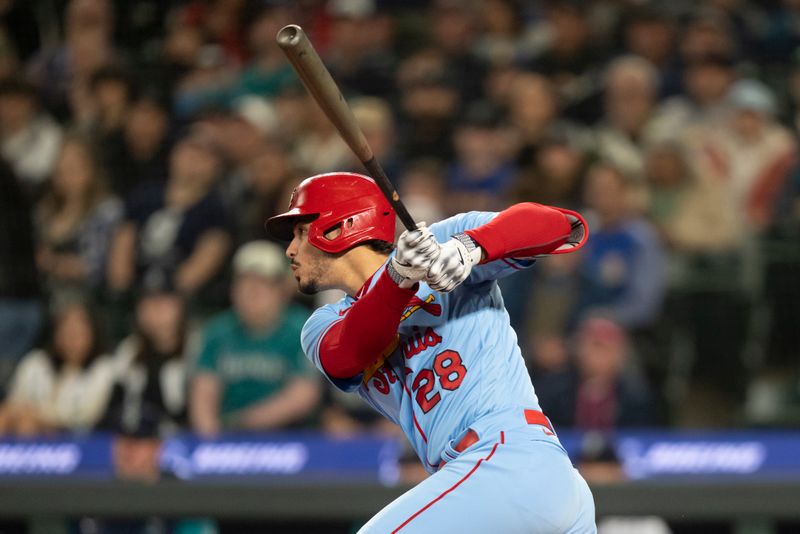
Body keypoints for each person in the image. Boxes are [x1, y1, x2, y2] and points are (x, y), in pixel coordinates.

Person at [266, 172, 596, 533]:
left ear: (337, 227)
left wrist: (471, 248)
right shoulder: (325, 323)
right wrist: (397, 278)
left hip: (507, 457)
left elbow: (563, 227)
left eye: (299, 232)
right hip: (496, 483)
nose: (290, 250)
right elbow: (345, 357)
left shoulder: (444, 240)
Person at [190, 241, 320, 435]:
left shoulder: (303, 329)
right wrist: (210, 441)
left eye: (263, 284)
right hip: (227, 440)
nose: (252, 292)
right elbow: (203, 393)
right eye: (245, 283)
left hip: (292, 439)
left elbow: (302, 397)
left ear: (282, 290)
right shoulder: (216, 332)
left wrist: (241, 423)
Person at [0, 300, 114, 436]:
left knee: (28, 424)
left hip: (80, 439)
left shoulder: (103, 368)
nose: (70, 338)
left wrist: (40, 418)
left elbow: (87, 416)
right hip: (26, 427)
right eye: (66, 330)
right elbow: (14, 401)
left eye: (77, 332)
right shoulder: (36, 362)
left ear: (92, 334)